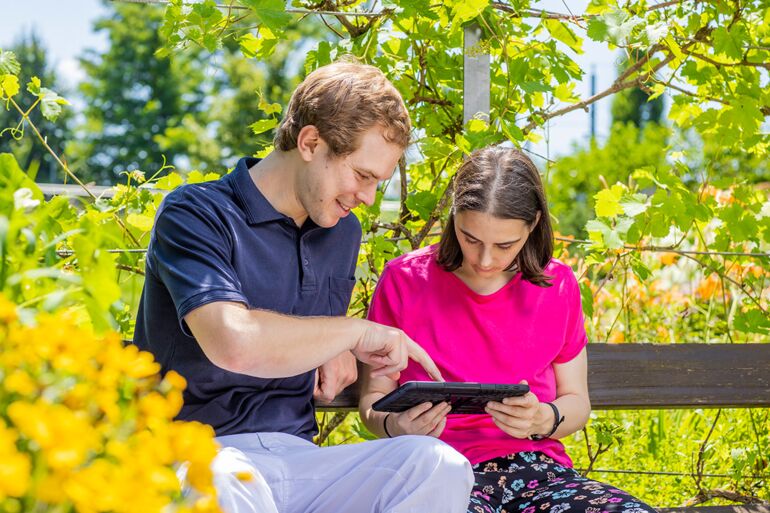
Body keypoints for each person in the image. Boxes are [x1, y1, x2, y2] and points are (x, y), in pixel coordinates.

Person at [133, 61, 474, 513]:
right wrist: (351, 333)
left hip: (295, 458)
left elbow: (306, 329)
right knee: (225, 480)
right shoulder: (195, 214)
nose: (369, 198)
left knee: (437, 465)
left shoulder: (339, 229)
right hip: (195, 455)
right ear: (311, 142)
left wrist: (330, 343)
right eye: (363, 175)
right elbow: (232, 342)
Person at [360, 145, 657, 513]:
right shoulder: (405, 280)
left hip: (539, 473)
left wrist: (544, 418)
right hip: (434, 468)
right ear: (454, 218)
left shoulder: (557, 284)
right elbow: (373, 400)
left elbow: (577, 402)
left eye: (504, 244)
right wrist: (396, 426)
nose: (485, 260)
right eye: (471, 239)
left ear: (532, 225)